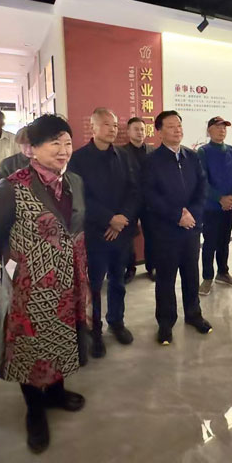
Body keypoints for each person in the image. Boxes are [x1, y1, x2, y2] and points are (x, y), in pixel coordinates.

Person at [0, 114, 90, 453]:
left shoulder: (75, 181)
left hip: (70, 280)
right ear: (33, 148)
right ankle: (34, 410)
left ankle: (55, 392)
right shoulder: (12, 186)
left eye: (67, 143)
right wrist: (21, 261)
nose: (63, 150)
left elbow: (76, 224)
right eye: (54, 143)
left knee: (63, 335)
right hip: (32, 285)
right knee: (30, 344)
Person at [68, 108, 138, 357]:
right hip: (95, 233)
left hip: (121, 233)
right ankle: (94, 330)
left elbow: (133, 190)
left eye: (115, 125)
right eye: (107, 124)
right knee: (95, 285)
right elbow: (79, 197)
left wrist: (122, 219)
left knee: (118, 281)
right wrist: (109, 219)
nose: (112, 129)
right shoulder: (78, 159)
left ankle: (116, 321)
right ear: (93, 127)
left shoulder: (123, 155)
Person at [143, 110, 212, 345]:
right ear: (159, 132)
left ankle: (193, 315)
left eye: (179, 125)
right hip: (165, 231)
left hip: (191, 229)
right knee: (166, 279)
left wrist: (192, 214)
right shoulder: (151, 161)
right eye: (171, 126)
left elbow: (202, 188)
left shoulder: (192, 156)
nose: (177, 130)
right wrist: (176, 216)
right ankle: (165, 322)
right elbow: (150, 196)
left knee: (191, 274)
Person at [197, 116, 232, 295]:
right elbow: (202, 180)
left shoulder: (231, 150)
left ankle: (223, 273)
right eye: (218, 127)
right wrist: (220, 198)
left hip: (230, 205)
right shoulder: (203, 152)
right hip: (211, 207)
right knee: (210, 242)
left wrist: (231, 196)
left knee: (224, 240)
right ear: (209, 130)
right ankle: (207, 277)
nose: (222, 130)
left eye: (224, 127)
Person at [121, 117, 156, 282]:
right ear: (128, 132)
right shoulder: (120, 153)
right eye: (136, 129)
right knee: (127, 237)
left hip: (150, 201)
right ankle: (130, 268)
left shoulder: (152, 151)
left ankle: (152, 266)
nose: (140, 132)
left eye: (142, 129)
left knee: (152, 235)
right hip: (129, 201)